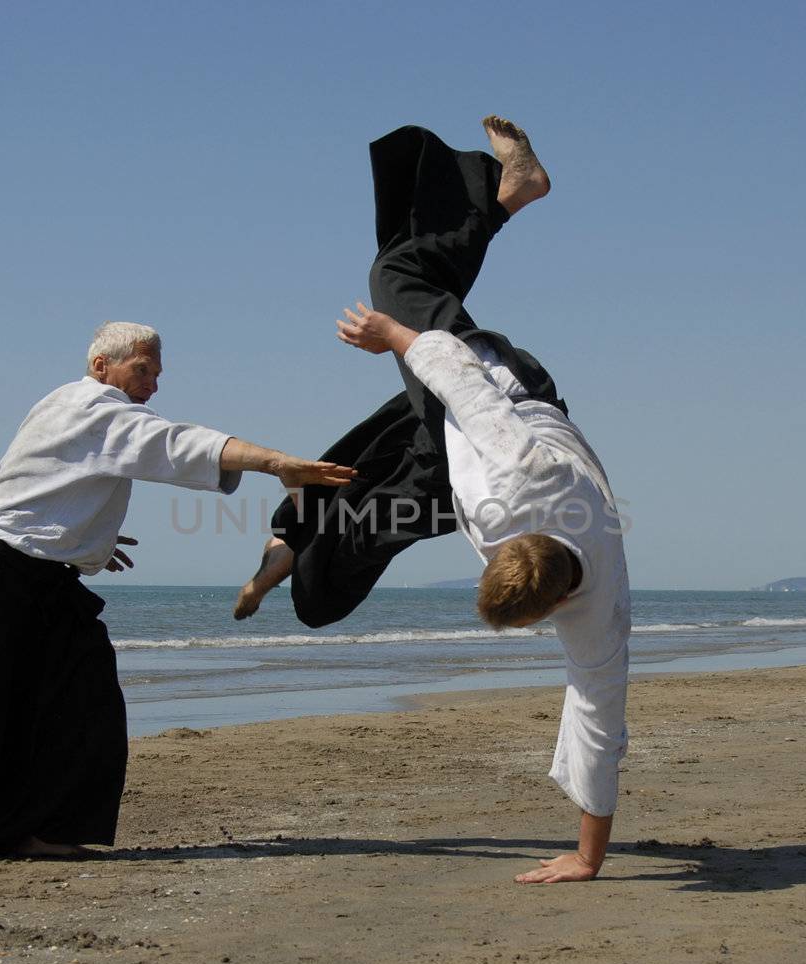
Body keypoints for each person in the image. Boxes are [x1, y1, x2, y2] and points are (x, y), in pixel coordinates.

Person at [236, 118, 630, 884]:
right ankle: (511, 192)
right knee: (396, 281)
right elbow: (458, 378)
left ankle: (293, 540)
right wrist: (393, 333)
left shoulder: (599, 601)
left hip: (452, 483)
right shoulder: (521, 475)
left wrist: (587, 860)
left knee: (353, 536)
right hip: (499, 393)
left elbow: (600, 717)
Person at [0, 322, 355, 857]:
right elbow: (173, 442)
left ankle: (33, 830)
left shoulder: (84, 412)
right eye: (143, 371)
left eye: (158, 375)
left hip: (48, 583)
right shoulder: (90, 408)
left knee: (81, 700)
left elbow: (50, 482)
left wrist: (87, 540)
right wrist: (277, 462)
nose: (153, 385)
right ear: (101, 366)